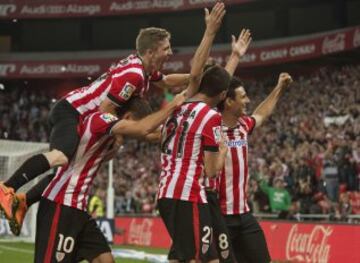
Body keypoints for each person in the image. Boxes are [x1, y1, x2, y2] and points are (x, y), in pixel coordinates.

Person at [0, 26, 190, 224]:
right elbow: (106, 108)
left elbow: (167, 81)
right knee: (61, 157)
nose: (169, 53)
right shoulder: (135, 75)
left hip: (76, 111)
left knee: (67, 170)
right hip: (72, 111)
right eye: (166, 48)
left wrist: (195, 77)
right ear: (151, 52)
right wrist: (116, 136)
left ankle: (23, 202)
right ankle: (7, 187)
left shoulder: (141, 67)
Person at [33, 92, 186, 263]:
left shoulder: (112, 132)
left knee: (105, 260)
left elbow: (151, 134)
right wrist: (173, 105)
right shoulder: (100, 120)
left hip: (78, 206)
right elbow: (143, 129)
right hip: (61, 204)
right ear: (127, 116)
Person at [157, 2, 229, 262]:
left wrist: (209, 32)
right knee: (200, 258)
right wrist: (222, 150)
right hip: (188, 194)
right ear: (222, 96)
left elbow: (196, 72)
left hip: (166, 192)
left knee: (185, 255)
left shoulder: (180, 103)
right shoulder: (211, 117)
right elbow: (211, 171)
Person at [216, 73, 293, 262]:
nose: (248, 100)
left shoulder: (243, 125)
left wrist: (279, 88)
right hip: (220, 217)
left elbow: (261, 113)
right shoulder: (212, 129)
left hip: (243, 214)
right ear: (228, 102)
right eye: (242, 96)